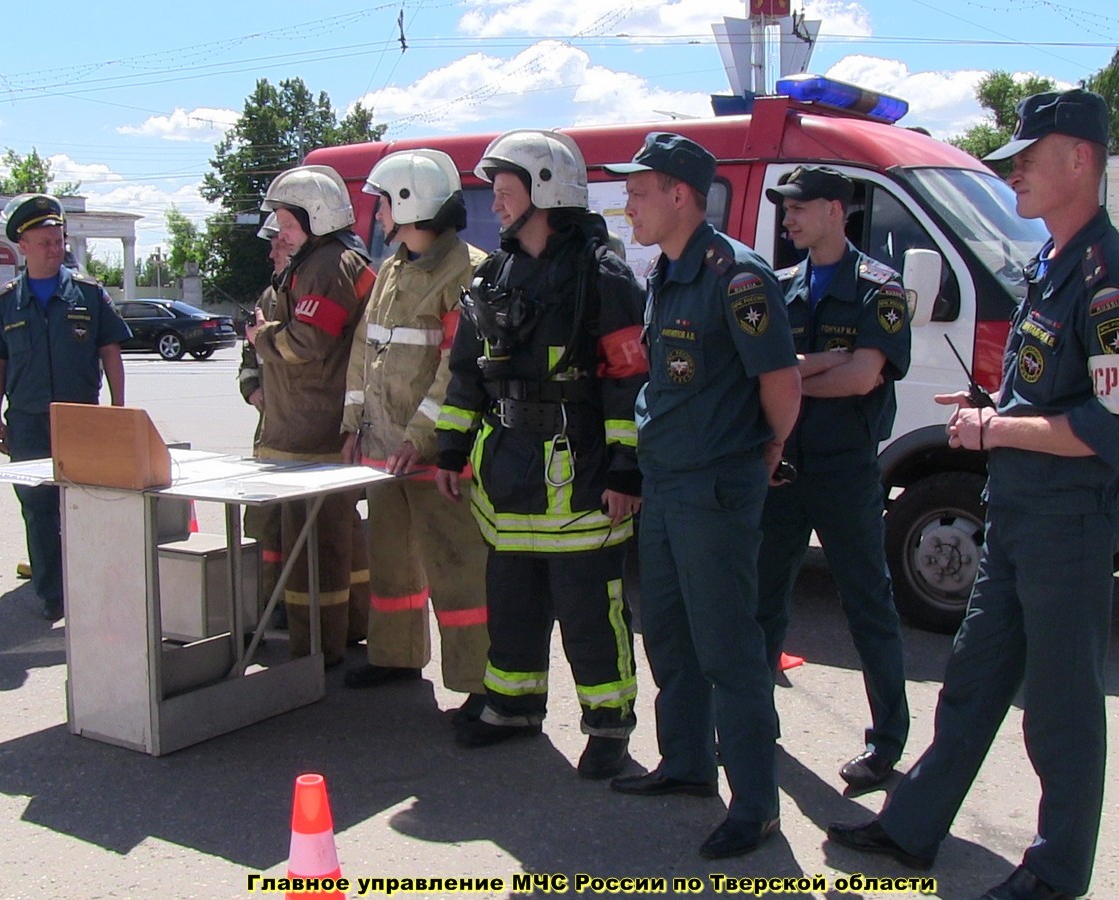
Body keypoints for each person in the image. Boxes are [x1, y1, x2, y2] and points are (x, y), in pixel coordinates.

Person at [826, 89, 1119, 900]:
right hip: (1016, 518)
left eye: (1029, 155)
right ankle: (911, 830)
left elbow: (1111, 428)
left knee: (1061, 710)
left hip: (1067, 527)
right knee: (971, 682)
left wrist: (992, 432)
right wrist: (992, 417)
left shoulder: (1113, 279)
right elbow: (1043, 398)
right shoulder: (1051, 262)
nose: (1013, 169)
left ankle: (1055, 872)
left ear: (1080, 159)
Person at [604, 133, 801, 858]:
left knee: (729, 647)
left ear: (680, 195)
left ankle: (756, 804)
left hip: (715, 485)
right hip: (665, 483)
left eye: (639, 191)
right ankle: (686, 763)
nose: (628, 204)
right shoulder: (666, 271)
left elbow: (781, 383)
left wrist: (768, 448)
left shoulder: (736, 276)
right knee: (672, 636)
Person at [434, 129, 648, 780]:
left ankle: (609, 724)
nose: (494, 206)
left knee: (590, 612)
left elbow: (627, 377)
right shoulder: (494, 274)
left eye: (504, 193)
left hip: (577, 472)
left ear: (548, 191)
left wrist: (625, 467)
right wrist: (450, 447)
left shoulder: (600, 275)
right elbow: (467, 369)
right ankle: (514, 707)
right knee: (513, 603)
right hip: (507, 476)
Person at [755, 166, 911, 792]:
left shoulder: (880, 288)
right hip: (784, 465)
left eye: (798, 206)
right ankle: (753, 723)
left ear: (834, 211)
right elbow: (766, 376)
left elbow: (863, 377)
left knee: (868, 604)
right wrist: (824, 365)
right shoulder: (779, 284)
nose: (787, 217)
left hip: (846, 471)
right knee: (763, 602)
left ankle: (886, 742)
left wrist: (795, 372)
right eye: (784, 207)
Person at [339, 149, 491, 718]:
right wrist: (353, 423)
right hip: (383, 454)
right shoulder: (395, 267)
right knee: (392, 562)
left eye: (382, 203)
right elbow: (364, 350)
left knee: (458, 571)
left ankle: (479, 683)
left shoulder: (468, 270)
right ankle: (395, 655)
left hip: (434, 459)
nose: (376, 215)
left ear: (410, 202)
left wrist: (419, 439)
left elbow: (459, 368)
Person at [0, 193, 130, 621]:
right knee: (38, 509)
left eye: (58, 240)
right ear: (22, 247)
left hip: (82, 420)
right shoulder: (4, 302)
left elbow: (110, 352)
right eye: (44, 242)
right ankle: (52, 593)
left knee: (86, 506)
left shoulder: (88, 295)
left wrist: (117, 409)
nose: (54, 248)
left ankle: (90, 583)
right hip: (27, 422)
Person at [247, 165, 375, 664]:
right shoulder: (322, 260)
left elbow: (308, 342)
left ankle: (316, 647)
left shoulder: (326, 266)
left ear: (316, 218)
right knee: (339, 541)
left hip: (311, 433)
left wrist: (262, 338)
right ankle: (350, 627)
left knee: (315, 551)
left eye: (287, 223)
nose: (280, 234)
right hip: (307, 426)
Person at [238, 213, 293, 626]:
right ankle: (267, 600)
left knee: (297, 523)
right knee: (262, 520)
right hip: (268, 427)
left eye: (280, 243)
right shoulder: (267, 297)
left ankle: (294, 603)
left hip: (299, 426)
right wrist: (251, 388)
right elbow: (248, 357)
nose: (272, 252)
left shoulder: (303, 291)